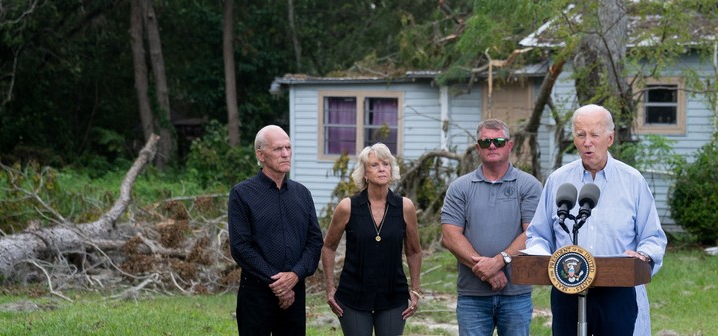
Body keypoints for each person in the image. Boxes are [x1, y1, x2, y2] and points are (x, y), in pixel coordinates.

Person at [525, 104, 668, 336]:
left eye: (594, 135)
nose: (587, 142)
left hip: (617, 290)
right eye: (580, 135)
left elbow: (653, 237)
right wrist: (544, 259)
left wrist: (643, 256)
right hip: (567, 289)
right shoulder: (558, 180)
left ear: (610, 138)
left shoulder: (632, 181)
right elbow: (537, 235)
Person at [441, 119, 542, 335]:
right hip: (472, 296)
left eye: (498, 141)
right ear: (478, 148)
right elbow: (450, 236)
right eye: (486, 142)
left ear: (510, 145)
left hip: (516, 293)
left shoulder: (529, 185)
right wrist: (487, 272)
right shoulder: (460, 187)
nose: (492, 146)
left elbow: (532, 233)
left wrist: (499, 261)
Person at [228, 125, 324, 335]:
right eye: (278, 149)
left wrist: (295, 275)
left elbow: (315, 242)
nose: (285, 154)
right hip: (256, 293)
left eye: (288, 148)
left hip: (295, 291)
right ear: (261, 155)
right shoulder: (242, 194)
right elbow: (240, 247)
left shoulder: (302, 194)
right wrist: (278, 282)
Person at [320, 143, 423, 336]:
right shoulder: (347, 207)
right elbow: (328, 247)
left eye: (386, 164)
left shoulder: (404, 207)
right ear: (365, 174)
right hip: (353, 296)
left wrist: (415, 290)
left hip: (393, 295)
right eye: (375, 165)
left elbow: (414, 250)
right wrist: (330, 289)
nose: (382, 168)